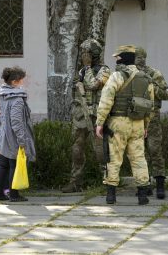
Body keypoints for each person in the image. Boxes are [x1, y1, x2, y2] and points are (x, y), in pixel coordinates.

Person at [96, 45, 154, 205]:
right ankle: (143, 195)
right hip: (138, 124)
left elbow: (106, 100)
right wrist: (146, 125)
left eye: (117, 58)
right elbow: (150, 105)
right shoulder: (146, 78)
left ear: (122, 58)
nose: (116, 60)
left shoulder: (117, 76)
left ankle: (111, 195)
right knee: (139, 158)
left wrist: (100, 122)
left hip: (118, 123)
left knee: (114, 158)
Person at [62, 38, 111, 193]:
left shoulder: (105, 70)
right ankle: (75, 182)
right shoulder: (82, 71)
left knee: (100, 151)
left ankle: (109, 181)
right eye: (83, 52)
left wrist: (88, 68)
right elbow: (77, 89)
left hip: (98, 116)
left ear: (93, 53)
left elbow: (93, 85)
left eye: (86, 52)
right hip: (81, 115)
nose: (83, 55)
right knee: (76, 149)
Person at [0, 66, 36, 201]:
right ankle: (14, 195)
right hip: (13, 138)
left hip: (4, 136)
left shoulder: (3, 96)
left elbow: (1, 119)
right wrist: (22, 141)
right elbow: (16, 123)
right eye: (22, 80)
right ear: (15, 82)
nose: (23, 82)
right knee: (14, 165)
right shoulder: (17, 99)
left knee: (3, 165)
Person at [135, 47, 168, 199]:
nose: (139, 60)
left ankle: (160, 185)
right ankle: (144, 185)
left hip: (152, 119)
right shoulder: (130, 75)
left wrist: (152, 85)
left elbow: (167, 94)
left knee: (155, 150)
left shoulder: (154, 74)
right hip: (136, 118)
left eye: (141, 57)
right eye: (136, 57)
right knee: (139, 153)